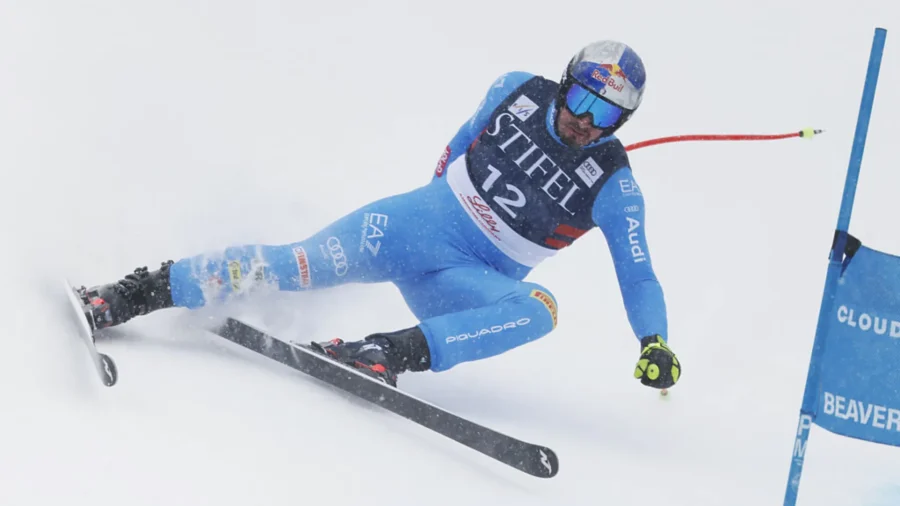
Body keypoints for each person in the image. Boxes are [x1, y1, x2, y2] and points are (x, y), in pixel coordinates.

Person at [77, 40, 681, 390]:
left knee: (543, 310)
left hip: (458, 288)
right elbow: (458, 145)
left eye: (603, 116)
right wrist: (426, 214)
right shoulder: (516, 88)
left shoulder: (615, 185)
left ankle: (384, 353)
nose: (584, 120)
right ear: (565, 81)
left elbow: (639, 274)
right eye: (580, 99)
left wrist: (654, 342)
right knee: (294, 264)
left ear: (621, 124)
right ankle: (135, 292)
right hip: (414, 229)